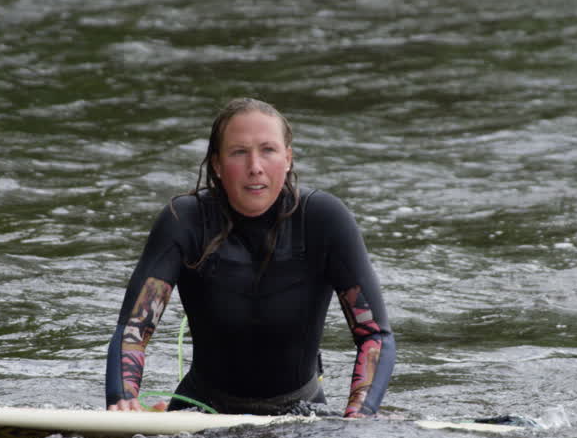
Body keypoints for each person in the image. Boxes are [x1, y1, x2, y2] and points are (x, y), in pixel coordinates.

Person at [105, 98, 396, 417]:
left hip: (299, 412)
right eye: (239, 152)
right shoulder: (184, 221)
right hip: (202, 407)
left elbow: (374, 336)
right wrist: (124, 399)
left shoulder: (325, 220)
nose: (255, 166)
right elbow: (133, 330)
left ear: (288, 159)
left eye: (268, 150)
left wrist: (360, 412)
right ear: (217, 164)